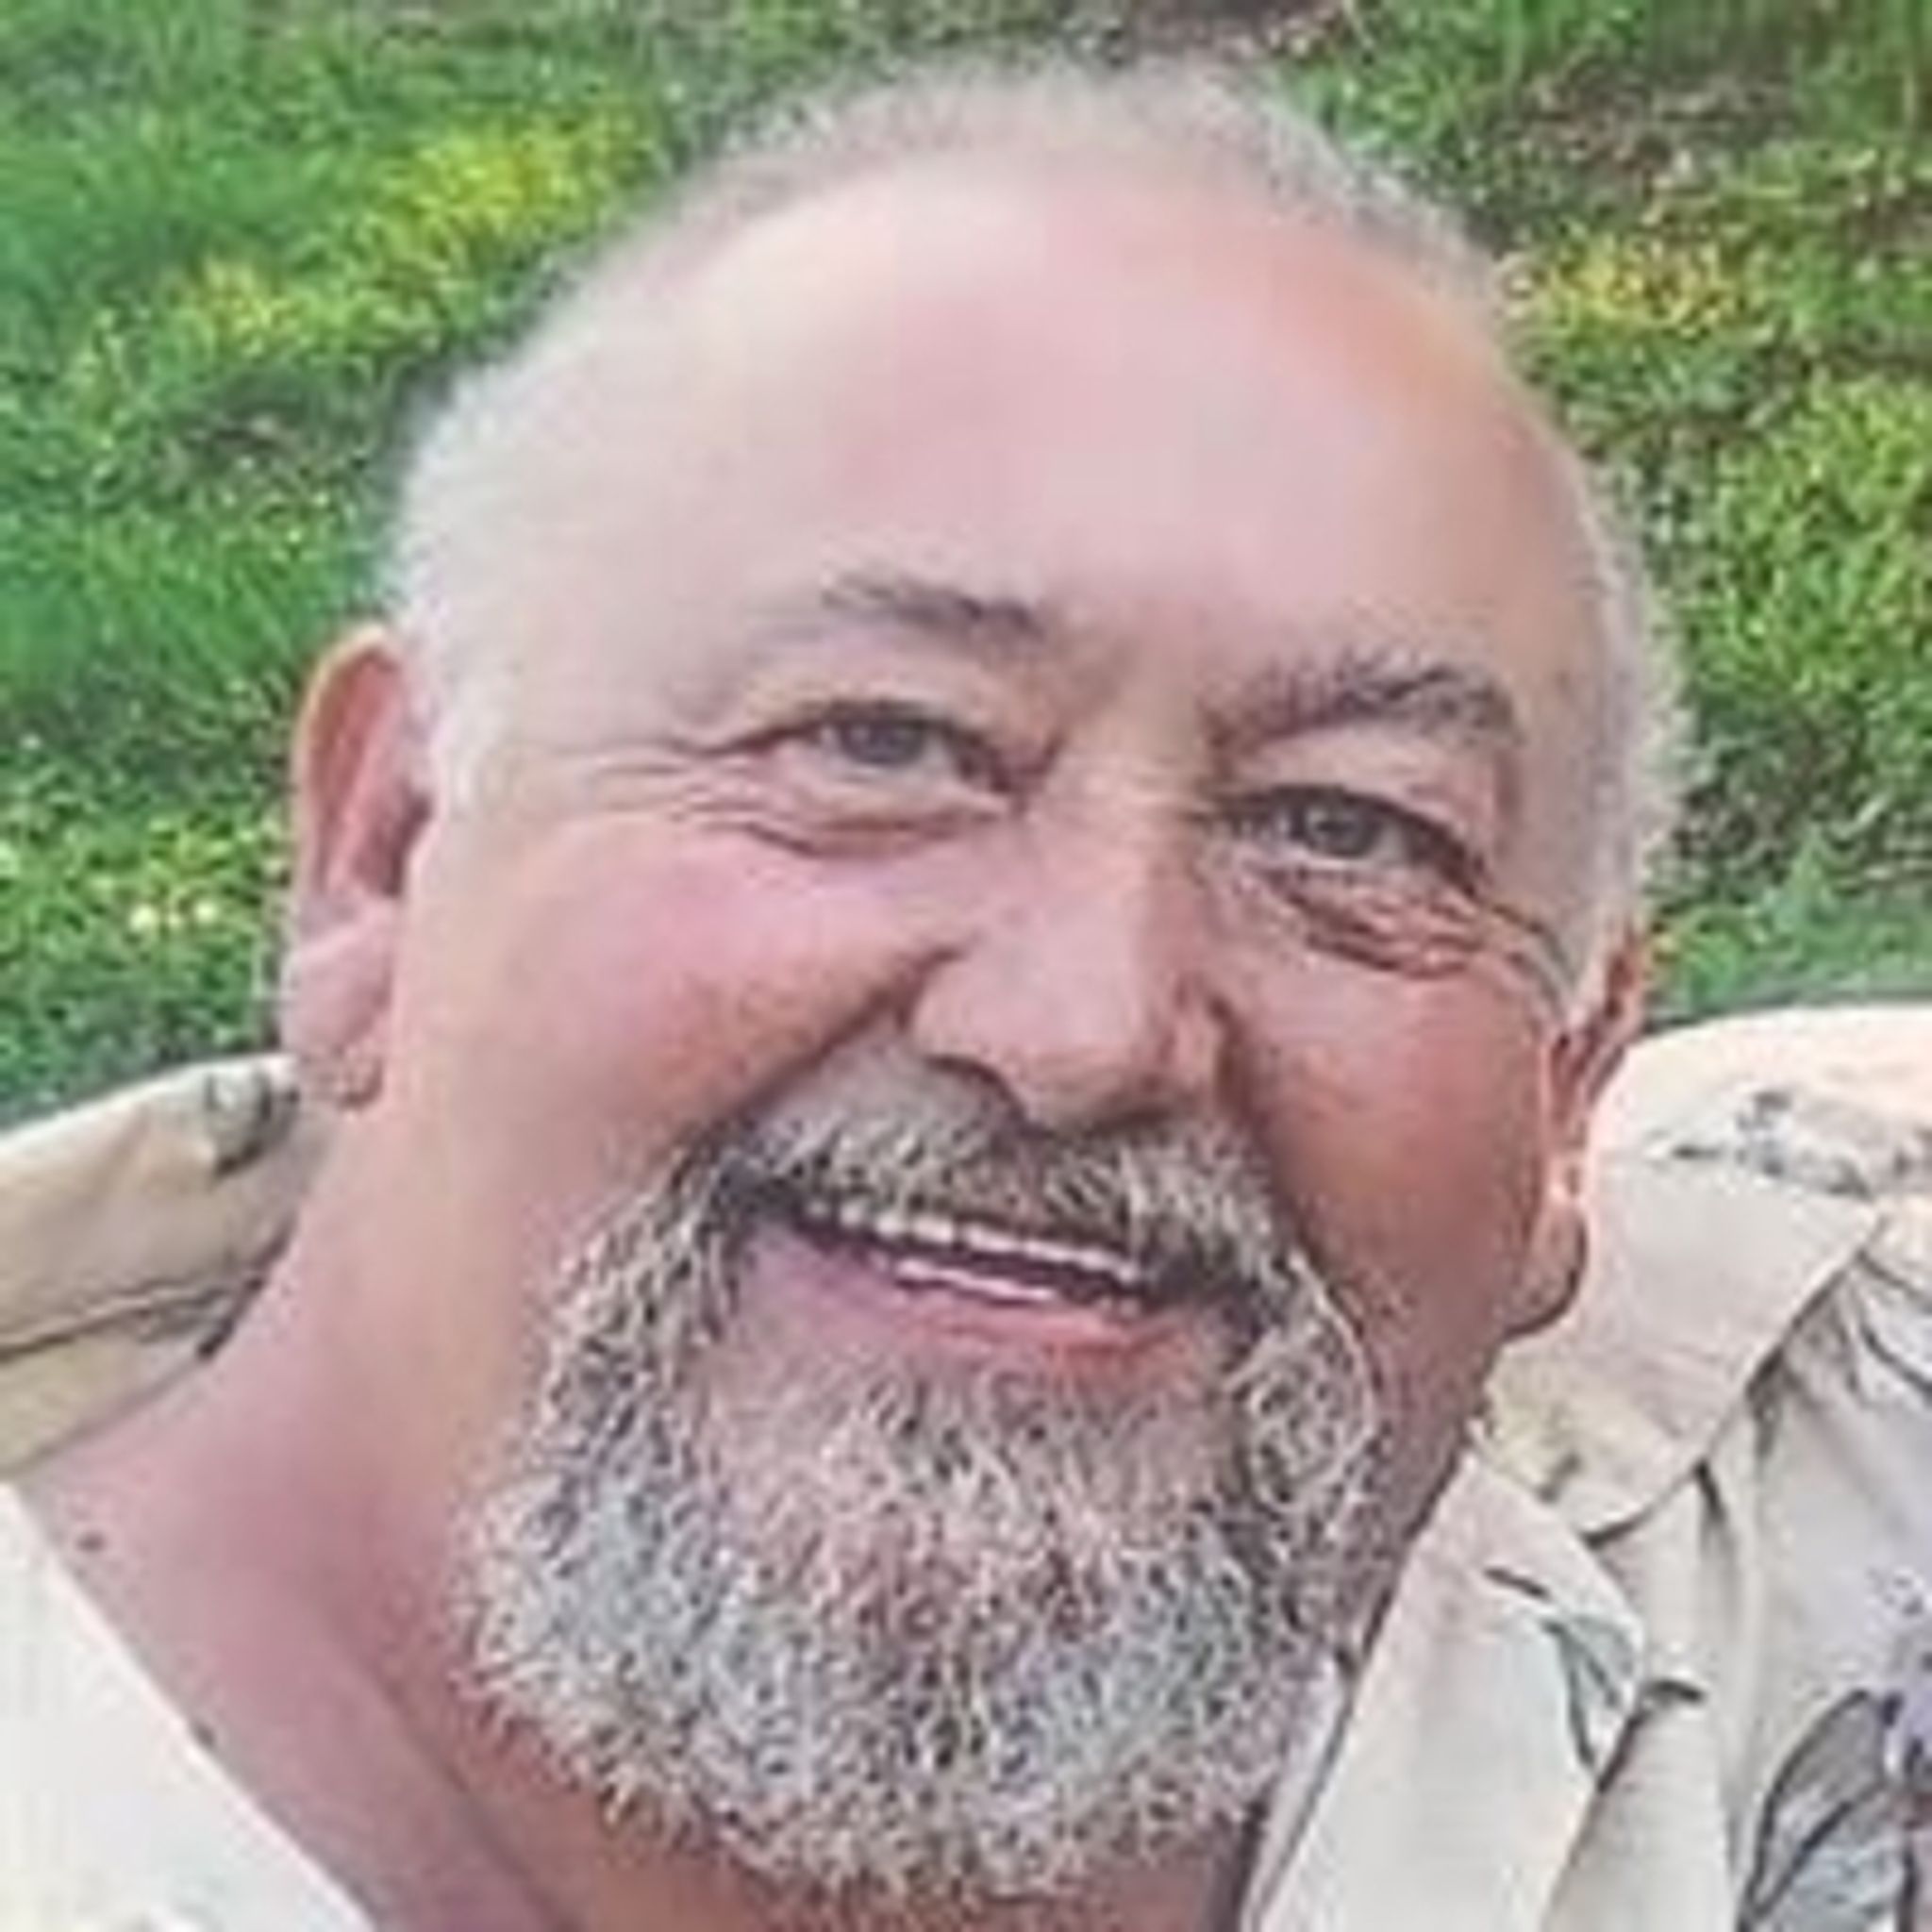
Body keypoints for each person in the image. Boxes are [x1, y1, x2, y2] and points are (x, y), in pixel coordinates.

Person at [0, 57, 1926, 1932]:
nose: (1082, 1025)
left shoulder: (1824, 1448)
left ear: (1571, 1082)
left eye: (1348, 831)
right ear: (388, 853)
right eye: (882, 740)